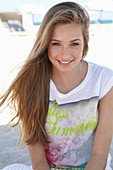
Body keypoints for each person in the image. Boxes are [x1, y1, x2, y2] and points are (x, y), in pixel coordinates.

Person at [1, 1, 113, 170]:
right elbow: (38, 162)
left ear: (85, 43)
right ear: (45, 44)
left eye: (74, 43)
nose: (65, 54)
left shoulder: (104, 81)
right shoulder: (30, 84)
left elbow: (99, 154)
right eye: (56, 43)